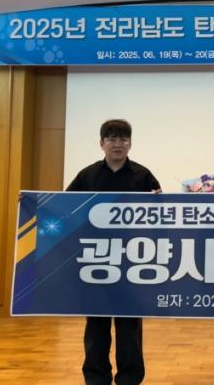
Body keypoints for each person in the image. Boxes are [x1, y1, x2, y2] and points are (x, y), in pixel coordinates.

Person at [67, 119, 161, 385]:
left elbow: (159, 216)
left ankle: (129, 379)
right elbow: (65, 206)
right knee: (96, 325)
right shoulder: (87, 175)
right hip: (96, 260)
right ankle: (96, 378)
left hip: (132, 261)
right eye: (111, 139)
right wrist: (33, 202)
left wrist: (160, 201)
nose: (117, 144)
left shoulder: (143, 175)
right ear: (101, 143)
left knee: (129, 325)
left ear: (130, 144)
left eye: (123, 139)